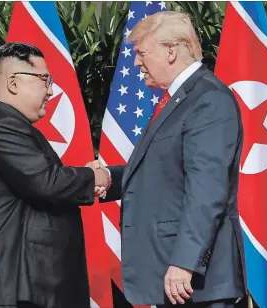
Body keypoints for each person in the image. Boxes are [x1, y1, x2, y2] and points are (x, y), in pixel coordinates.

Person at [92, 11, 247, 307]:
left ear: (171, 51)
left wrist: (185, 262)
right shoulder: (180, 98)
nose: (137, 63)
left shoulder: (207, 99)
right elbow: (164, 171)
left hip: (197, 282)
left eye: (142, 53)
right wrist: (109, 178)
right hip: (176, 276)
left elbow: (207, 190)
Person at [0, 42, 110, 308]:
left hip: (21, 284)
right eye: (44, 80)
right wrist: (93, 176)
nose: (50, 91)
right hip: (13, 284)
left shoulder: (6, 123)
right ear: (14, 83)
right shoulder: (3, 126)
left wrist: (95, 177)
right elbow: (46, 182)